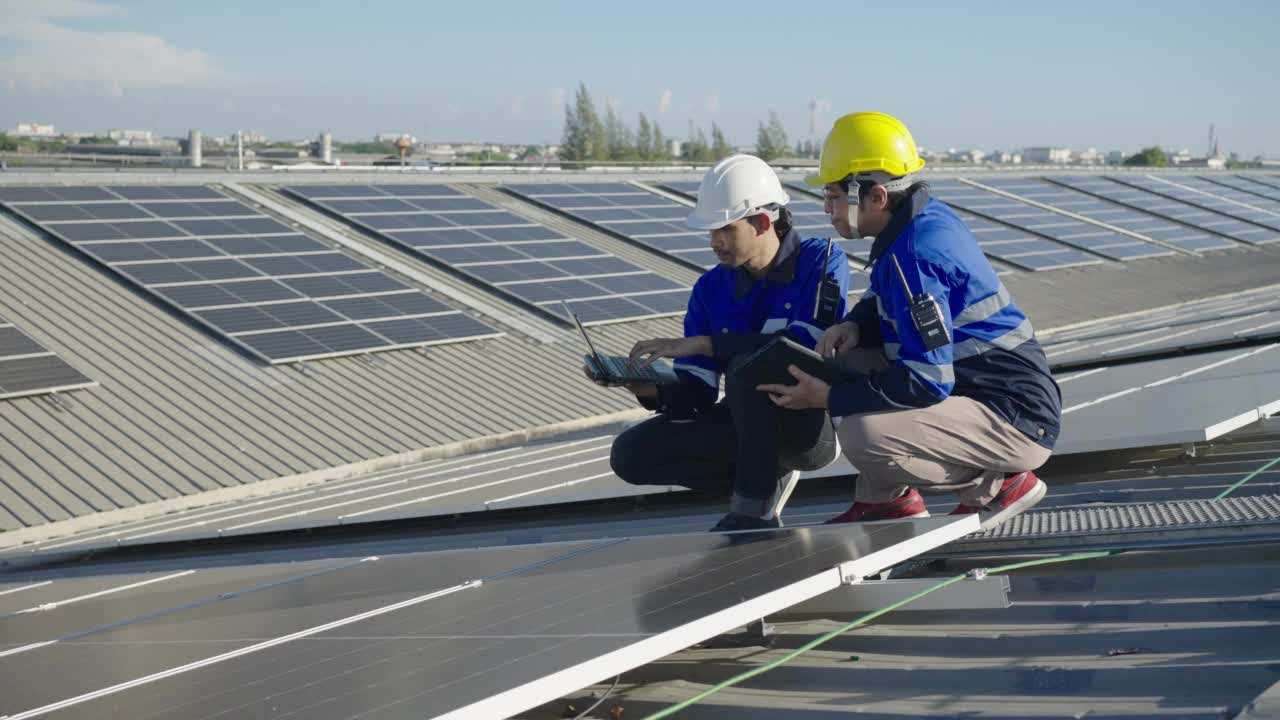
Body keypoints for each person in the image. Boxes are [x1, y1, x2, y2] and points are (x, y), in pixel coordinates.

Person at [758, 112, 1061, 532]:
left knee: (866, 434)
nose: (826, 209)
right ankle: (883, 502)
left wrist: (827, 398)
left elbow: (927, 381)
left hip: (1014, 414)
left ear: (877, 197)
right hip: (985, 392)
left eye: (831, 196)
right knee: (848, 364)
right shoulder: (915, 226)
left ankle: (998, 484)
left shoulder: (915, 256)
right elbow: (889, 301)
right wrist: (858, 325)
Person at [600, 154, 850, 531]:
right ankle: (763, 482)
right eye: (711, 231)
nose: (713, 242)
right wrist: (645, 388)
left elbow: (802, 348)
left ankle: (753, 513)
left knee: (746, 368)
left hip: (806, 428)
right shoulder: (710, 289)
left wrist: (707, 344)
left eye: (724, 230)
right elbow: (698, 394)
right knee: (631, 454)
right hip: (745, 427)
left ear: (763, 222)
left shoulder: (821, 260)